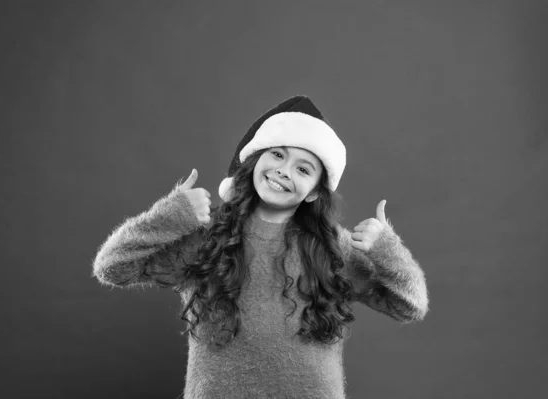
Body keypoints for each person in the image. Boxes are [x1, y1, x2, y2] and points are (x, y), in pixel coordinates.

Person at [92, 95, 429, 399]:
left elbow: (409, 307)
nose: (283, 171)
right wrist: (170, 216)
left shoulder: (333, 247)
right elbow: (112, 266)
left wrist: (387, 249)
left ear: (313, 191)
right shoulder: (209, 237)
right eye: (278, 154)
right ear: (255, 163)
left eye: (303, 168)